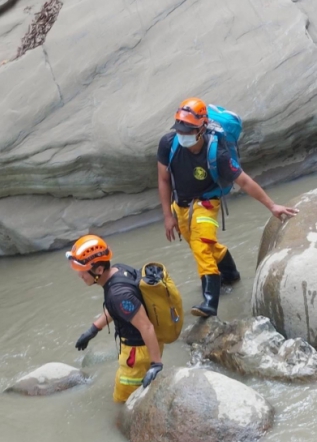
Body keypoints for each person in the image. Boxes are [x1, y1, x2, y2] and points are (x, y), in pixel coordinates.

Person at [157, 97, 299, 318]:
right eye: (179, 129)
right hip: (181, 205)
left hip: (207, 202)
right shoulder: (169, 143)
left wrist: (272, 206)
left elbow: (244, 181)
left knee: (200, 245)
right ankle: (231, 273)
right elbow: (164, 179)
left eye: (188, 130)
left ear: (201, 128)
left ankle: (209, 303)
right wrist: (167, 215)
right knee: (202, 243)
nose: (182, 134)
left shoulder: (218, 153)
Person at [67, 234, 164, 402]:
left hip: (138, 352)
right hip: (144, 346)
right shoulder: (118, 270)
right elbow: (121, 309)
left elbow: (146, 327)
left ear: (98, 270)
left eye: (83, 271)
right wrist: (94, 329)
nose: (80, 276)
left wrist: (156, 365)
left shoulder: (118, 294)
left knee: (122, 400)